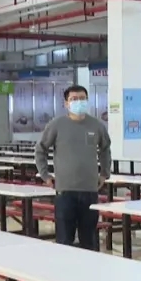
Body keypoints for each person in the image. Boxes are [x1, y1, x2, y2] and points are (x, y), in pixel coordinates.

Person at [35, 85, 111, 250]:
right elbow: (41, 150)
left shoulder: (96, 125)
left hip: (89, 190)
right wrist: (45, 175)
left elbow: (105, 149)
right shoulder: (56, 125)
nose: (78, 102)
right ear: (66, 103)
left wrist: (105, 173)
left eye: (82, 98)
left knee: (89, 239)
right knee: (64, 240)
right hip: (65, 191)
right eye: (74, 99)